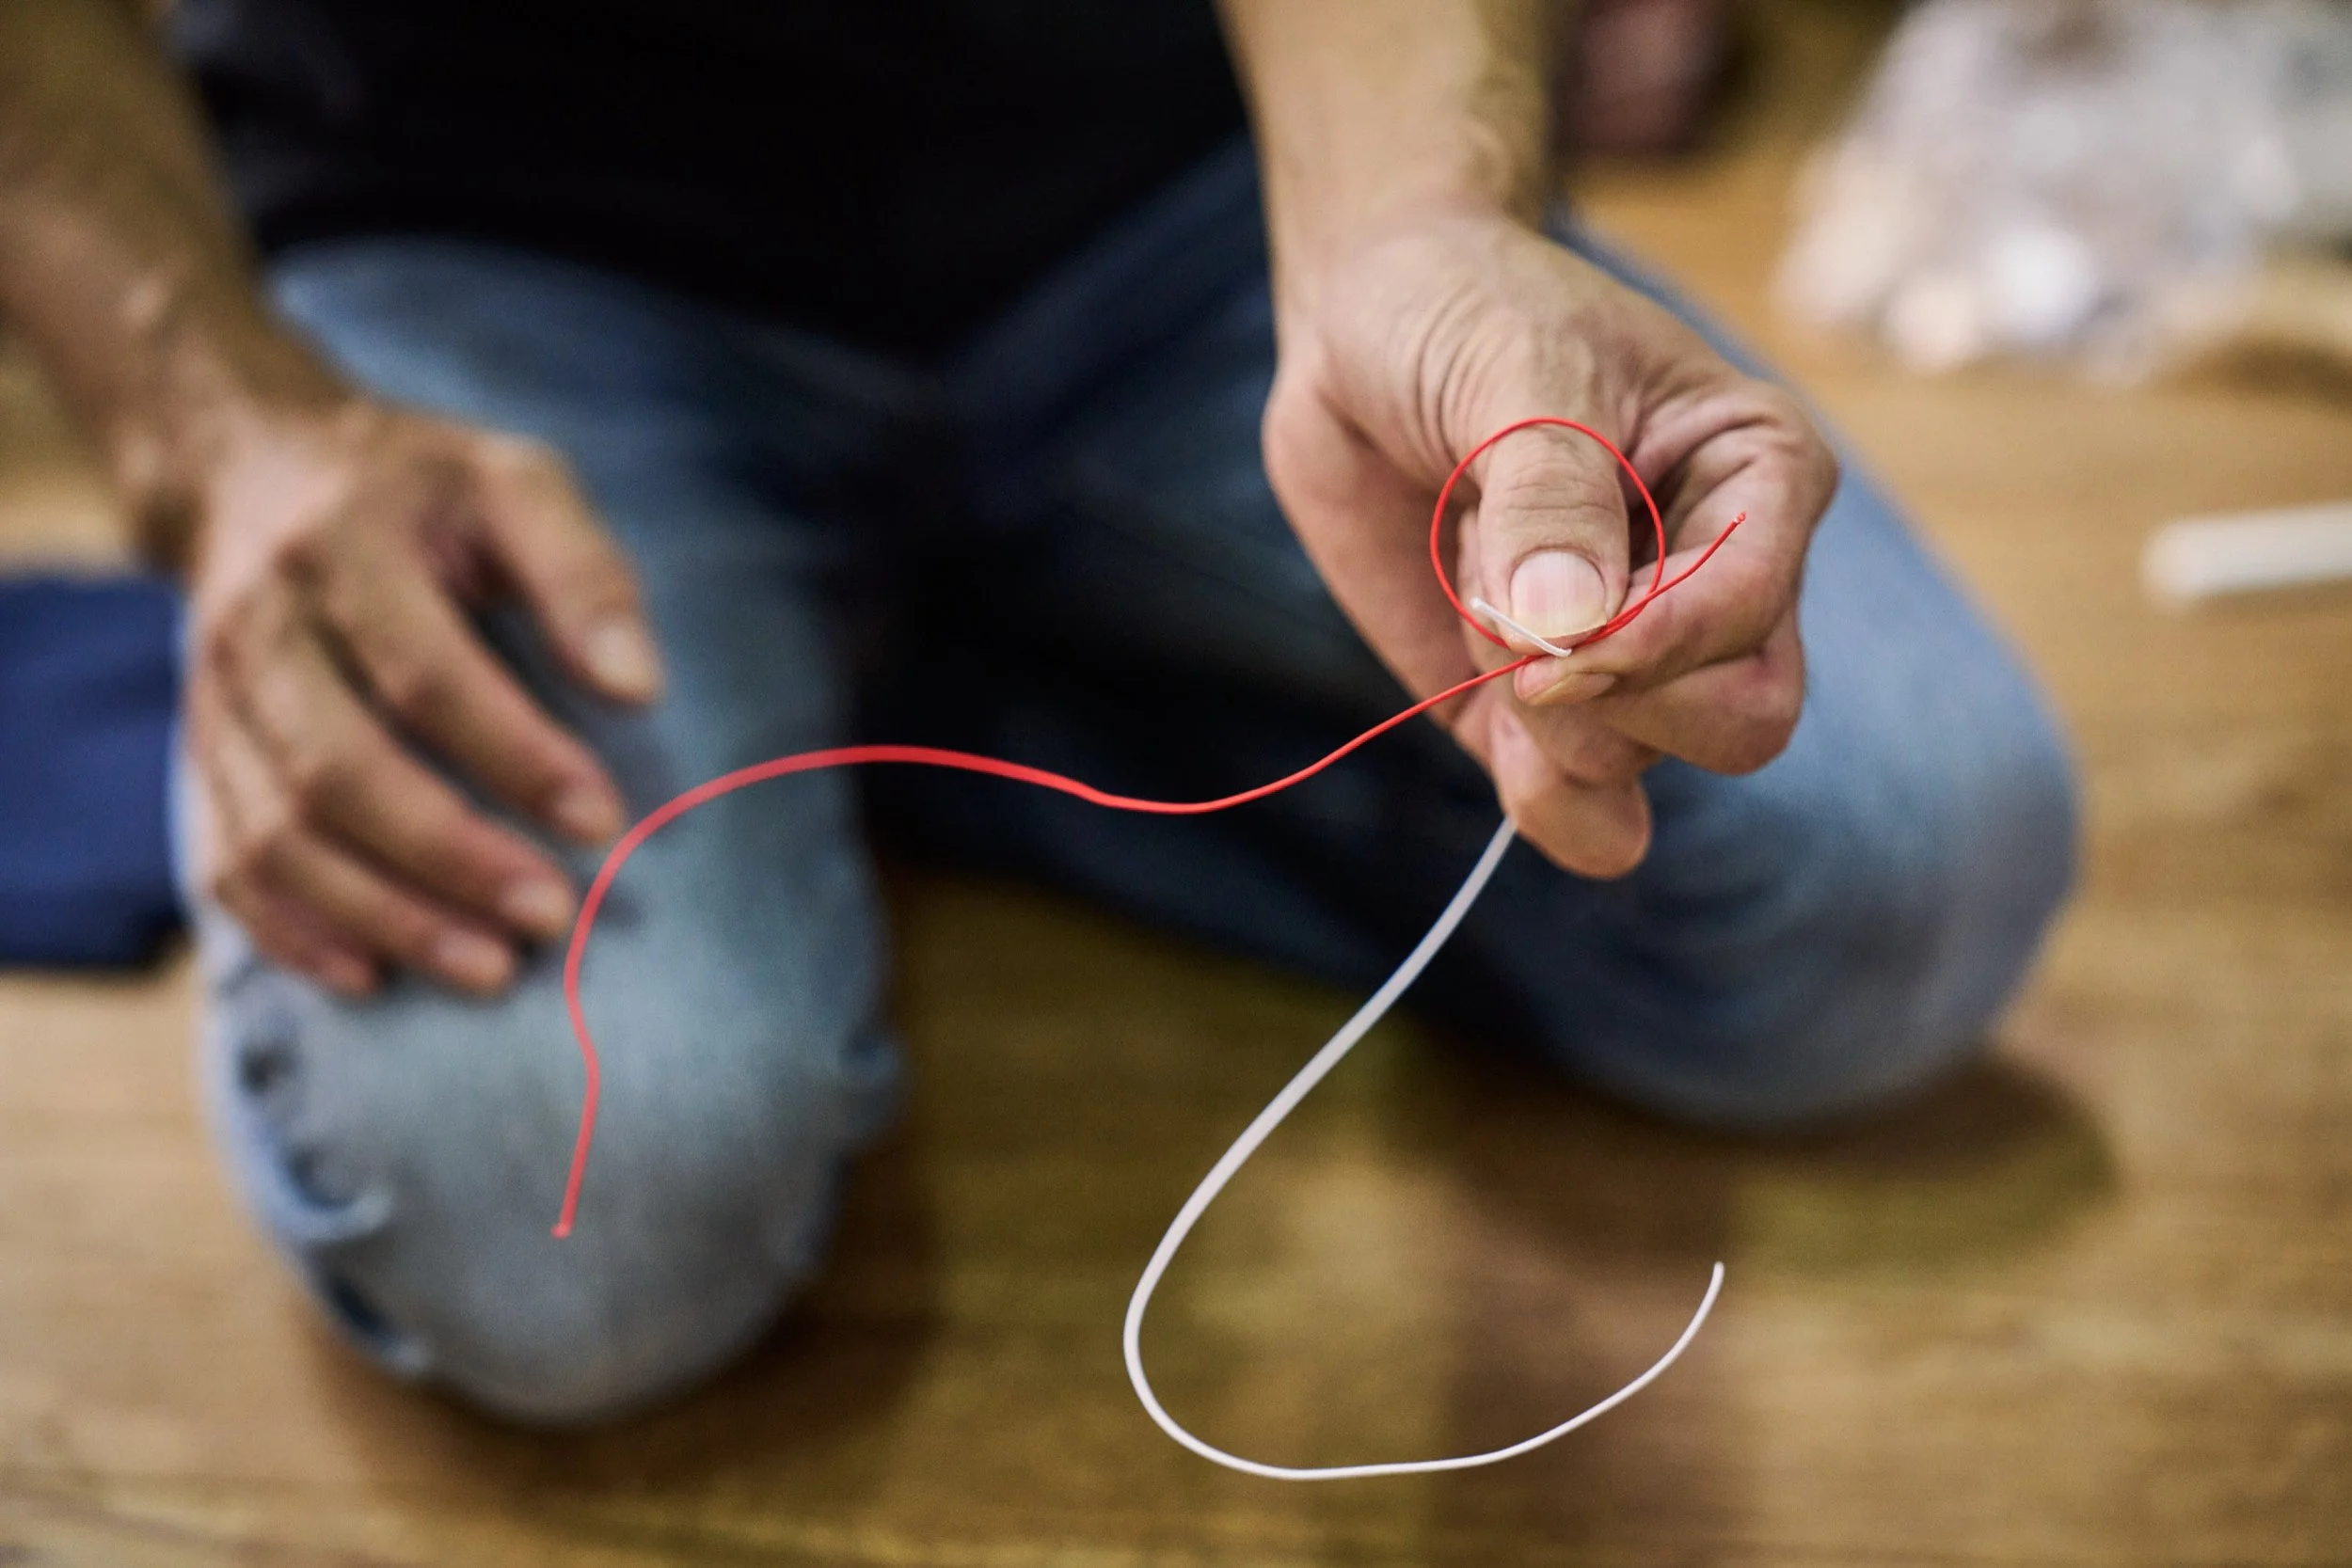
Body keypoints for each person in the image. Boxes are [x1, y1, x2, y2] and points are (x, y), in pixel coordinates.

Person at [0, 0, 2075, 1424]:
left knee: (1897, 872)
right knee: (583, 1233)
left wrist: (1419, 233)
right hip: (474, 253)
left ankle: (900, 681)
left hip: (1195, 196)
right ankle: (914, 671)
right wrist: (218, 426)